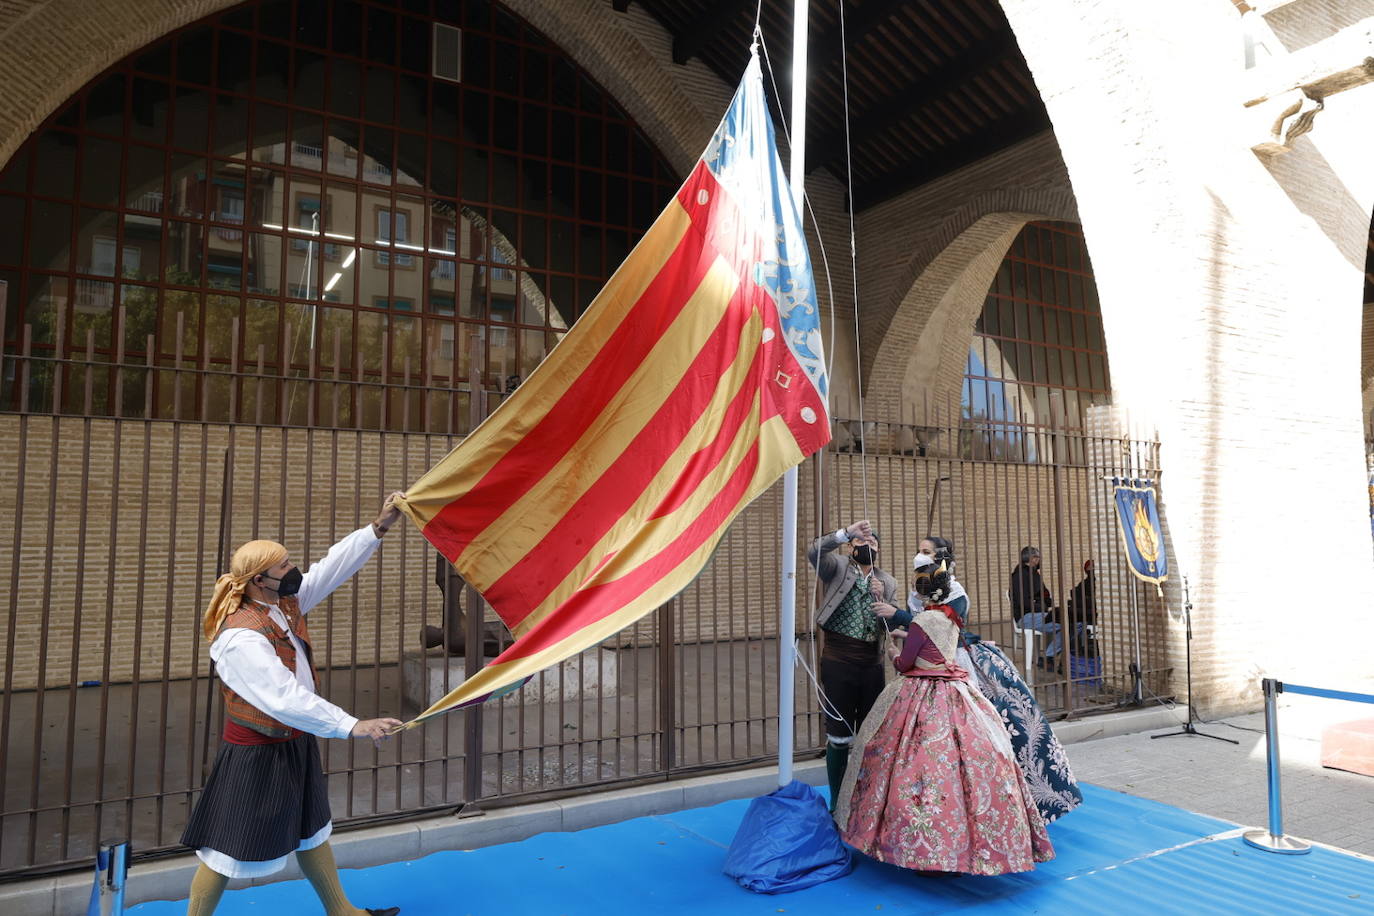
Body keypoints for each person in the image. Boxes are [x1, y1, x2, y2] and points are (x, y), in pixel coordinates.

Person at [180, 493, 408, 916]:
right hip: (256, 753)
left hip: (294, 741)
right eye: (282, 566)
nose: (292, 570)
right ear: (257, 580)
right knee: (225, 850)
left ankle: (343, 913)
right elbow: (282, 697)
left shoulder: (281, 603)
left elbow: (330, 568)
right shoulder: (239, 637)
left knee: (312, 830)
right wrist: (351, 724)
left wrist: (379, 528)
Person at [834, 558, 1054, 875]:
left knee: (898, 759)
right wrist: (906, 636)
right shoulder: (950, 617)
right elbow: (937, 648)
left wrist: (894, 654)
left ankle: (916, 847)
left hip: (920, 692)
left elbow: (908, 664)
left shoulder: (923, 620)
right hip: (956, 690)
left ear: (921, 592)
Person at [911, 543, 1083, 823]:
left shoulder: (953, 593)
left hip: (957, 665)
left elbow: (944, 627)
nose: (921, 556)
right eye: (921, 551)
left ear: (942, 558)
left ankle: (1002, 801)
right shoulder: (924, 591)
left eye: (928, 552)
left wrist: (902, 623)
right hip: (932, 668)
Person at [806, 519, 899, 812]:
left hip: (871, 663)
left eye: (872, 544)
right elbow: (813, 552)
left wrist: (882, 597)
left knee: (870, 733)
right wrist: (846, 532)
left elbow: (891, 622)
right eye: (861, 543)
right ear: (851, 547)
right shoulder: (837, 569)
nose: (866, 548)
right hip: (839, 659)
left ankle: (865, 797)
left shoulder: (888, 581)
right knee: (839, 732)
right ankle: (838, 801)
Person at [1009, 546, 1062, 666]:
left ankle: (1048, 657)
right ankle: (1049, 657)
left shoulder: (1035, 575)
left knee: (1071, 622)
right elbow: (1023, 602)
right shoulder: (1019, 576)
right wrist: (1042, 606)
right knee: (1065, 622)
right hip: (1025, 617)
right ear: (1030, 558)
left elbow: (1046, 595)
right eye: (1036, 557)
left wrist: (1046, 603)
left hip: (1039, 613)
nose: (1039, 559)